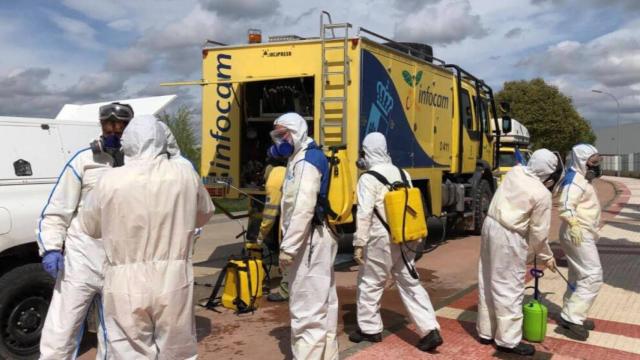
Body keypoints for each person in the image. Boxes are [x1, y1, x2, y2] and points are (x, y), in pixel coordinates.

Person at [79, 115, 214, 359]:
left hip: (124, 279)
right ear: (163, 140)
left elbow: (90, 226)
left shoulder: (109, 180)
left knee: (128, 349)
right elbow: (204, 214)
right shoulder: (184, 175)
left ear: (127, 142)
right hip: (173, 277)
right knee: (178, 350)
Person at [37, 102, 133, 359]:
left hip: (122, 258)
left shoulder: (140, 163)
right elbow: (58, 209)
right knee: (62, 327)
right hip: (82, 256)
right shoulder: (84, 161)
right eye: (109, 124)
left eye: (121, 125)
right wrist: (52, 248)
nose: (114, 130)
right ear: (101, 126)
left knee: (118, 331)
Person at [349, 132, 443, 352]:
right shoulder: (403, 173)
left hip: (379, 239)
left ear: (367, 151)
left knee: (370, 282)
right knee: (410, 282)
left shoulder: (368, 178)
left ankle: (370, 329)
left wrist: (359, 243)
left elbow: (363, 213)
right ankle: (430, 330)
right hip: (405, 237)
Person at [477, 148, 562, 356]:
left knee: (487, 279)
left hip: (490, 226)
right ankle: (508, 340)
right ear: (548, 175)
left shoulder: (516, 171)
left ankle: (486, 331)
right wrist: (546, 256)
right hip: (509, 236)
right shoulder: (542, 194)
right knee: (509, 286)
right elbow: (539, 235)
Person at [272, 112, 338, 359]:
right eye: (276, 136)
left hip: (308, 240)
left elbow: (301, 207)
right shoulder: (302, 157)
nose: (279, 141)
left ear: (296, 131)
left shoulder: (306, 161)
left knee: (306, 309)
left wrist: (288, 248)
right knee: (325, 305)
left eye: (282, 134)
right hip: (316, 237)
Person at [557, 144, 602, 340]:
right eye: (593, 162)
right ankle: (573, 317)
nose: (596, 166)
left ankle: (571, 313)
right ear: (581, 161)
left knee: (578, 275)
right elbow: (566, 206)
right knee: (593, 275)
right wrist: (574, 224)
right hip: (577, 232)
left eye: (597, 161)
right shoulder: (574, 180)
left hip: (580, 232)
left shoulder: (581, 179)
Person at [259, 159, 289, 302]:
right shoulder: (284, 171)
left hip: (292, 222)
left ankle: (285, 291)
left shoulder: (273, 180)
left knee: (288, 254)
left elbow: (270, 214)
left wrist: (261, 234)